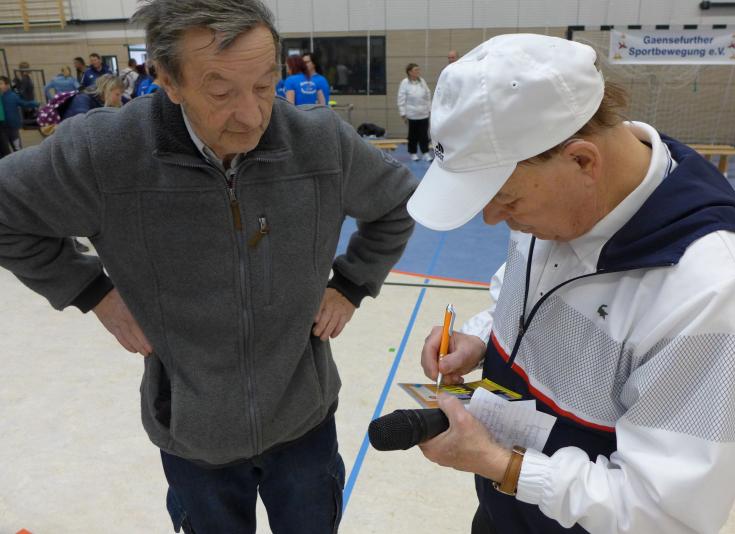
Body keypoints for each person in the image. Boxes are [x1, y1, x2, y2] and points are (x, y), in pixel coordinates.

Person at [0, 1, 416, 533]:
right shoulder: (105, 153)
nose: (252, 115)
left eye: (264, 85)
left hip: (304, 423)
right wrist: (90, 291)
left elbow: (398, 204)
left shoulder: (320, 143)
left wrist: (353, 283)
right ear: (167, 80)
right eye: (221, 93)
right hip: (193, 435)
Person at [407, 34, 735, 534]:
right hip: (505, 513)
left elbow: (666, 515)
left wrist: (500, 464)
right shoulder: (560, 201)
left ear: (583, 160)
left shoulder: (712, 288)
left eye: (506, 200)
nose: (492, 219)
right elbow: (528, 291)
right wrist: (481, 336)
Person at [397, 63, 432, 162]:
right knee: (413, 135)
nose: (418, 72)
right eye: (416, 70)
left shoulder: (422, 81)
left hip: (423, 114)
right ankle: (413, 153)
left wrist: (430, 109)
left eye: (418, 70)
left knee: (424, 135)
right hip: (411, 114)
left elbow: (428, 95)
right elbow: (401, 98)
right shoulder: (404, 83)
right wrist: (403, 113)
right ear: (410, 72)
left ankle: (425, 153)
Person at [0, 76, 39, 151]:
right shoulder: (1, 97)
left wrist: (35, 103)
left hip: (13, 127)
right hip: (2, 127)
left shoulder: (13, 96)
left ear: (7, 85)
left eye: (1, 84)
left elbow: (23, 103)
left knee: (17, 147)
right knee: (4, 149)